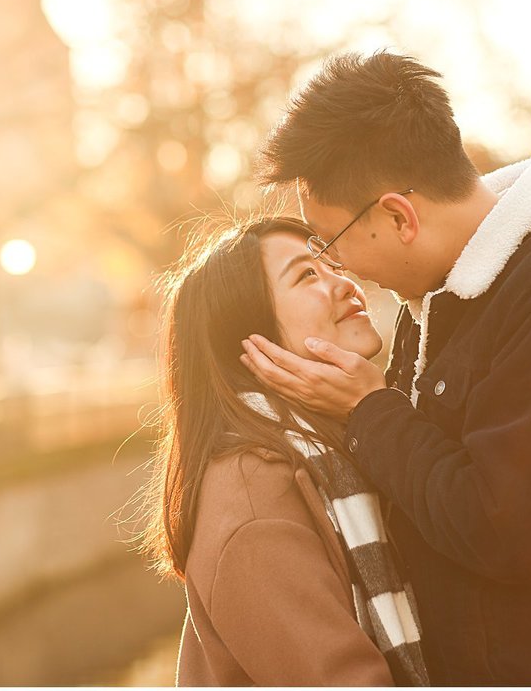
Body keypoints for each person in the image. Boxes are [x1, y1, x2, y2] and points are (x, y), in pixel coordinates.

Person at [241, 51, 531, 685]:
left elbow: (509, 532)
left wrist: (370, 409)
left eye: (331, 244)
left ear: (399, 216)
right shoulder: (439, 301)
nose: (341, 270)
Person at [137, 216, 429, 686]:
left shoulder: (340, 445)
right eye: (307, 274)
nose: (345, 283)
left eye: (332, 264)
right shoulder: (255, 509)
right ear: (254, 340)